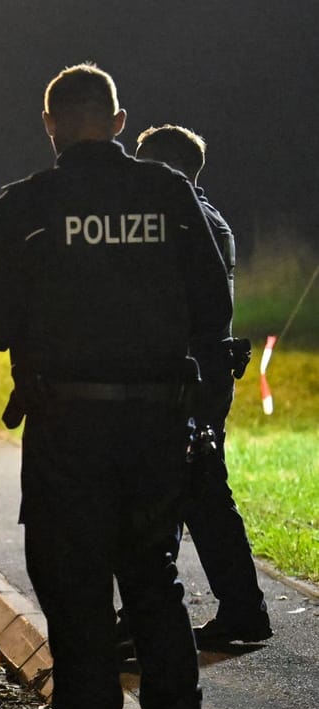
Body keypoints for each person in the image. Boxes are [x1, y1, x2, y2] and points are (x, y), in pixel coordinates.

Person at [0, 64, 233, 709]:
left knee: (78, 609)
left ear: (50, 124)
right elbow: (213, 308)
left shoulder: (29, 203)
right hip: (154, 429)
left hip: (67, 430)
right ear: (116, 120)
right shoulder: (170, 195)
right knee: (154, 583)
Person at [134, 125, 272, 648]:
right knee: (179, 491)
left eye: (145, 165)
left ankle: (244, 612)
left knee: (201, 493)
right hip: (202, 372)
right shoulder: (207, 218)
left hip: (191, 376)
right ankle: (159, 608)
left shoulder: (189, 223)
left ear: (167, 170)